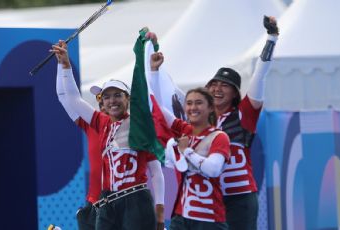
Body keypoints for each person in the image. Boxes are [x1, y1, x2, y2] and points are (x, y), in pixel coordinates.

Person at [51, 38, 165, 230]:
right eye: (106, 97)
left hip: (135, 200)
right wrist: (65, 64)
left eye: (118, 95)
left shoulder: (139, 124)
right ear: (101, 103)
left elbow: (156, 171)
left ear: (128, 98)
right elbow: (71, 98)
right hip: (107, 203)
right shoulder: (99, 122)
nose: (112, 101)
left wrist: (160, 211)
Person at [202, 16, 279, 230]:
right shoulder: (200, 119)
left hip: (240, 198)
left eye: (224, 86)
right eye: (214, 84)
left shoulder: (244, 113)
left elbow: (260, 76)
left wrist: (271, 39)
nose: (217, 89)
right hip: (211, 198)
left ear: (235, 93)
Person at [156, 86, 231, 229]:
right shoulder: (185, 133)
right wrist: (152, 71)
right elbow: (157, 107)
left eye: (198, 103)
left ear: (210, 108)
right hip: (181, 217)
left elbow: (213, 170)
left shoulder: (219, 136)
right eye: (189, 103)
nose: (193, 107)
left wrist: (186, 151)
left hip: (209, 218)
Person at [56, 71, 105, 230]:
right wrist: (62, 65)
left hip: (121, 206)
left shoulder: (132, 128)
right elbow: (64, 96)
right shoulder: (92, 125)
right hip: (94, 205)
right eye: (101, 98)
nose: (105, 102)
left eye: (112, 96)